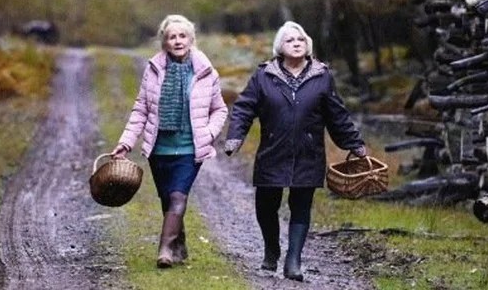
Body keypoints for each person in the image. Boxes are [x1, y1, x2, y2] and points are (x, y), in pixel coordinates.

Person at [224, 21, 367, 282]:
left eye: (301, 39)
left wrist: (354, 144)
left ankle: (294, 261)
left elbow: (337, 114)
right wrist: (235, 137)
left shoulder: (322, 76)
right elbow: (244, 108)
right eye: (290, 40)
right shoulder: (264, 75)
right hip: (273, 150)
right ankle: (271, 249)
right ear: (281, 47)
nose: (297, 43)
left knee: (301, 205)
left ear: (308, 44)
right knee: (266, 205)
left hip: (308, 152)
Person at [112, 14, 228, 268]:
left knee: (178, 197)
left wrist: (208, 134)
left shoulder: (206, 72)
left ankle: (164, 249)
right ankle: (180, 244)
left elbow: (220, 110)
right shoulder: (153, 70)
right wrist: (126, 142)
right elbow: (141, 109)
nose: (177, 41)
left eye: (182, 36)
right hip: (159, 149)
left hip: (189, 148)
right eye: (171, 37)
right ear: (164, 42)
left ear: (191, 40)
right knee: (168, 200)